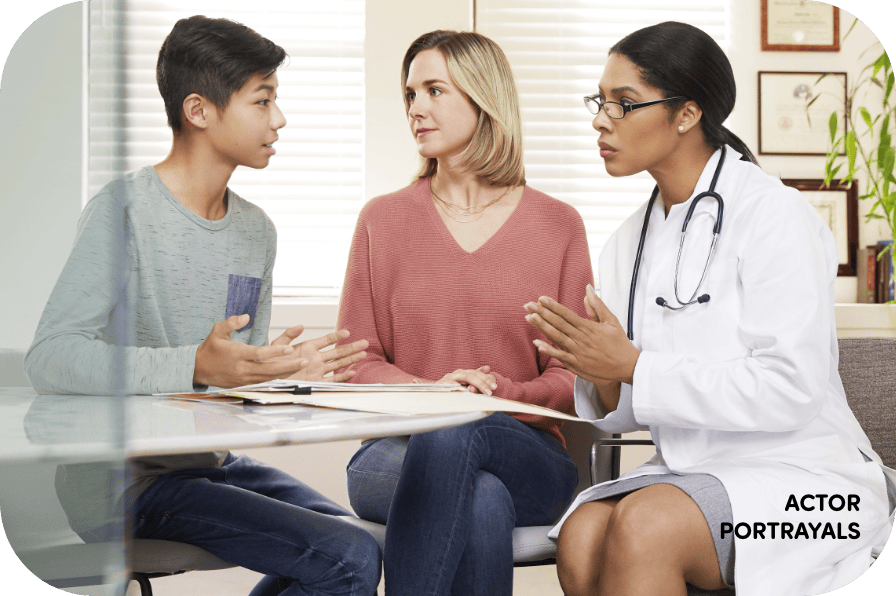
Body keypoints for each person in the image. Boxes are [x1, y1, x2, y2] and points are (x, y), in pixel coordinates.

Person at [524, 21, 896, 596]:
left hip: (812, 487)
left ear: (687, 114)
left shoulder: (774, 214)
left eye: (624, 102)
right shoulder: (628, 241)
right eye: (600, 101)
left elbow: (792, 388)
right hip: (692, 474)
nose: (601, 119)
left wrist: (633, 365)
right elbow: (630, 411)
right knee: (582, 534)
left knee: (647, 526)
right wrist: (602, 373)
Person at [24, 15, 381, 596]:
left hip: (208, 464)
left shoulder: (256, 231)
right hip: (123, 485)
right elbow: (50, 357)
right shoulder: (123, 212)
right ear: (198, 110)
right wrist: (193, 363)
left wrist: (283, 376)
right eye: (262, 100)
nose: (279, 119)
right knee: (348, 557)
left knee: (364, 542)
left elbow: (230, 388)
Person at [335, 30, 594, 596]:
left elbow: (573, 381)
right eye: (410, 94)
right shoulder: (382, 220)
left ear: (484, 99)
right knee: (479, 494)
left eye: (434, 90)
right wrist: (433, 393)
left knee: (461, 433)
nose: (415, 108)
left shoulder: (558, 226)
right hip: (393, 453)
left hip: (527, 454)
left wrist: (501, 394)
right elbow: (356, 363)